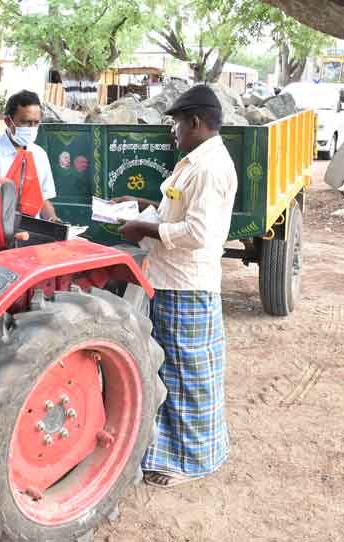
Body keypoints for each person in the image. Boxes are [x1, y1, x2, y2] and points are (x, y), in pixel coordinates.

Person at [114, 85, 237, 488]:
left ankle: (192, 462)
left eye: (178, 124)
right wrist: (144, 207)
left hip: (187, 285)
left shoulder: (210, 166)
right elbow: (176, 212)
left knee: (189, 376)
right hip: (169, 279)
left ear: (197, 123)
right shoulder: (195, 161)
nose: (174, 132)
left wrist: (144, 228)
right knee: (170, 371)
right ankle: (172, 454)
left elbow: (198, 233)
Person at [0, 90, 58, 220]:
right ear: (8, 122)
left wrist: (54, 220)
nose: (32, 128)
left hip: (33, 229)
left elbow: (43, 199)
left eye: (36, 123)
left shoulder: (39, 155)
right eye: (26, 122)